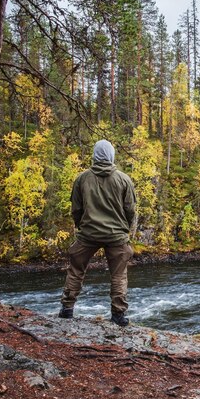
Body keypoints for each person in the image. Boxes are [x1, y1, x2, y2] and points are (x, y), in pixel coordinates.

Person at [58, 139, 136, 326]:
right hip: (116, 236)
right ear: (111, 155)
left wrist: (80, 226)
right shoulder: (124, 179)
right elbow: (130, 210)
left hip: (88, 234)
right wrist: (125, 229)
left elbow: (76, 209)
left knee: (76, 270)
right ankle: (118, 315)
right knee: (118, 275)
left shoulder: (82, 178)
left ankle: (67, 309)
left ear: (94, 155)